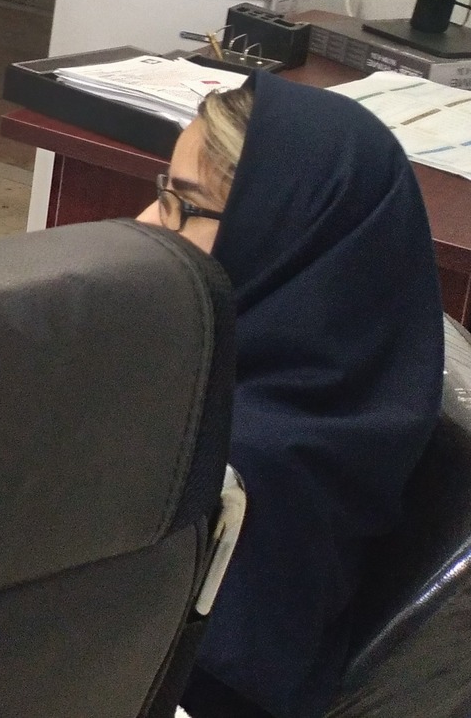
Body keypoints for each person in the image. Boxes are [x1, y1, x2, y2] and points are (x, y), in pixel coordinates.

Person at [137, 75, 441, 718]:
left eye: (183, 204)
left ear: (278, 236)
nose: (146, 222)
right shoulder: (352, 385)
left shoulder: (252, 470)